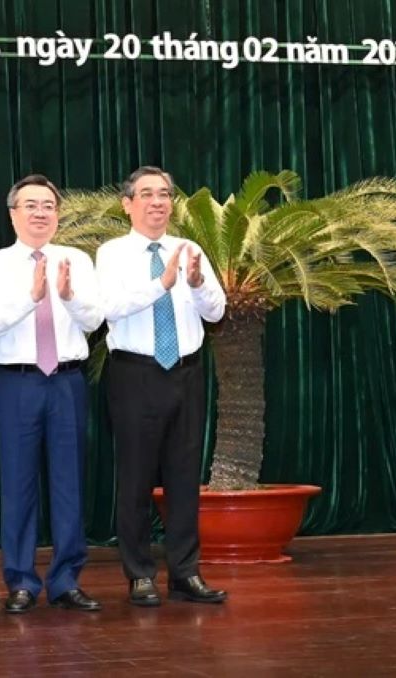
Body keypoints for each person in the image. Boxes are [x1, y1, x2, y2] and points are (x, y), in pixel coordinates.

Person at [96, 166, 228, 606]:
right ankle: (139, 574)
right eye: (148, 194)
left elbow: (216, 311)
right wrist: (162, 284)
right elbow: (109, 308)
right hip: (135, 374)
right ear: (128, 204)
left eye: (165, 194)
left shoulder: (190, 249)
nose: (158, 202)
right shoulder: (112, 254)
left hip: (187, 372)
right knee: (135, 478)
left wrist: (195, 284)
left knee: (184, 478)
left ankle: (186, 573)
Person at [0, 175, 104, 614]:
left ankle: (67, 580)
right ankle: (21, 581)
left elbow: (92, 321)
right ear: (13, 213)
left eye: (48, 205)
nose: (40, 213)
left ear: (58, 212)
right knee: (18, 484)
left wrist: (66, 296)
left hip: (67, 380)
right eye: (30, 205)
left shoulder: (77, 260)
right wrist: (33, 297)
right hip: (18, 381)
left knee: (69, 482)